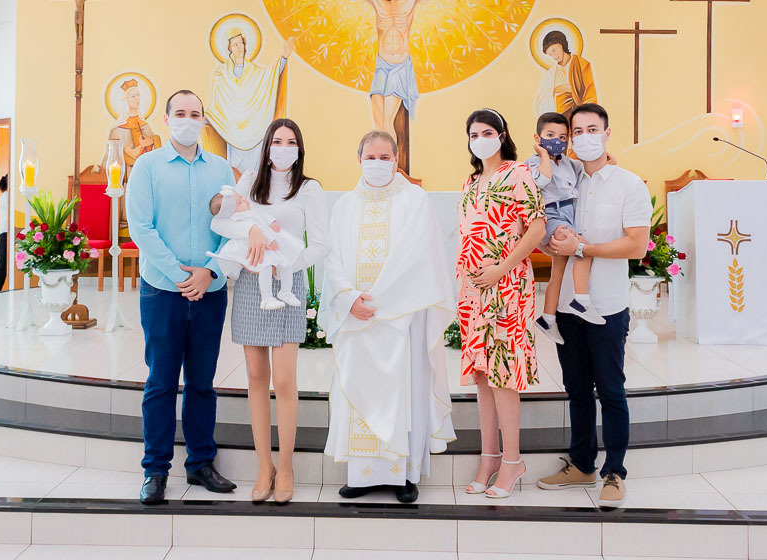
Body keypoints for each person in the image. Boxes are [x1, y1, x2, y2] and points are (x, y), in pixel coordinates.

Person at [321, 131, 456, 503]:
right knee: (358, 389)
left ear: (397, 161)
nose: (377, 163)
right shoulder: (344, 206)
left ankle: (403, 475)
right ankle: (361, 475)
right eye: (371, 157)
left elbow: (421, 256)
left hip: (402, 319)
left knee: (404, 392)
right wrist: (349, 298)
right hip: (356, 318)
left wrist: (384, 303)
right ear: (359, 160)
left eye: (385, 157)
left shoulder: (415, 200)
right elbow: (331, 258)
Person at [127, 89, 239, 506]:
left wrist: (209, 272)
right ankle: (155, 470)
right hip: (163, 291)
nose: (188, 120)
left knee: (202, 383)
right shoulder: (148, 166)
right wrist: (179, 276)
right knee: (160, 382)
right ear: (167, 118)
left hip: (210, 289)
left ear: (204, 121)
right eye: (180, 113)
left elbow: (233, 225)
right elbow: (141, 227)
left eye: (195, 114)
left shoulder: (221, 168)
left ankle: (201, 463)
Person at [537, 102, 651, 508]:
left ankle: (614, 472)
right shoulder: (564, 178)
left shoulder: (628, 184)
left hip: (606, 306)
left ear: (606, 133)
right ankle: (582, 464)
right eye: (577, 131)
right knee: (577, 390)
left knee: (611, 390)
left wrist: (584, 248)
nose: (584, 137)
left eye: (592, 129)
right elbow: (547, 228)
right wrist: (552, 242)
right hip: (568, 308)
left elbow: (637, 245)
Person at [209, 118, 328, 504]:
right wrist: (251, 231)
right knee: (257, 377)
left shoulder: (309, 189)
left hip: (288, 283)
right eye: (278, 140)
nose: (283, 147)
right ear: (267, 146)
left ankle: (286, 467)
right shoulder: (249, 182)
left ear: (299, 149)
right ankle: (265, 466)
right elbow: (222, 222)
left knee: (286, 380)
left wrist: (288, 263)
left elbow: (321, 244)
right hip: (251, 283)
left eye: (291, 142)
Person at [295, 0, 503, 136]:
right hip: (382, 65)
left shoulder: (410, 0)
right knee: (377, 125)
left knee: (387, 122)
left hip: (400, 67)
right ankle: (382, 161)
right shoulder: (375, 2)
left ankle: (392, 164)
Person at [456, 108, 546, 500]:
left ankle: (512, 461)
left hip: (507, 285)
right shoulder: (470, 182)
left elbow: (537, 227)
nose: (480, 140)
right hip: (473, 291)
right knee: (481, 374)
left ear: (502, 135)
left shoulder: (518, 173)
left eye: (487, 132)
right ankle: (489, 457)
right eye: (474, 134)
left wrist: (501, 268)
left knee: (503, 374)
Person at [526, 113, 601, 344]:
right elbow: (542, 180)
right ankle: (582, 301)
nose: (557, 141)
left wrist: (609, 159)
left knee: (557, 271)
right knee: (583, 248)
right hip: (551, 214)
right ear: (538, 138)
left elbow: (589, 169)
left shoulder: (569, 164)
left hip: (569, 213)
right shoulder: (532, 163)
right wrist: (543, 155)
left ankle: (547, 318)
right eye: (550, 135)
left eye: (562, 137)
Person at [202, 28, 294, 176]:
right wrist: (209, 117)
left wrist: (284, 58)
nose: (240, 47)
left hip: (255, 129)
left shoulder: (254, 72)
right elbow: (217, 101)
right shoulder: (221, 73)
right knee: (236, 172)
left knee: (256, 171)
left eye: (241, 43)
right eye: (235, 44)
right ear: (229, 48)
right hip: (232, 131)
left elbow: (271, 77)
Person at [207, 187, 304, 310]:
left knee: (286, 264)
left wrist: (271, 222)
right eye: (240, 202)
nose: (244, 200)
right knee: (265, 267)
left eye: (241, 197)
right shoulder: (240, 218)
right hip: (259, 249)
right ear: (233, 213)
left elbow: (261, 216)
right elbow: (260, 230)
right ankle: (267, 299)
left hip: (270, 245)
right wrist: (271, 240)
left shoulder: (248, 210)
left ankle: (286, 292)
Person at [533, 30, 598, 118]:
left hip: (580, 116)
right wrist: (556, 90)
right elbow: (542, 98)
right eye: (550, 55)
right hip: (560, 119)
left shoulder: (582, 64)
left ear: (561, 45)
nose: (554, 56)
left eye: (554, 50)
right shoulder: (552, 72)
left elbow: (590, 95)